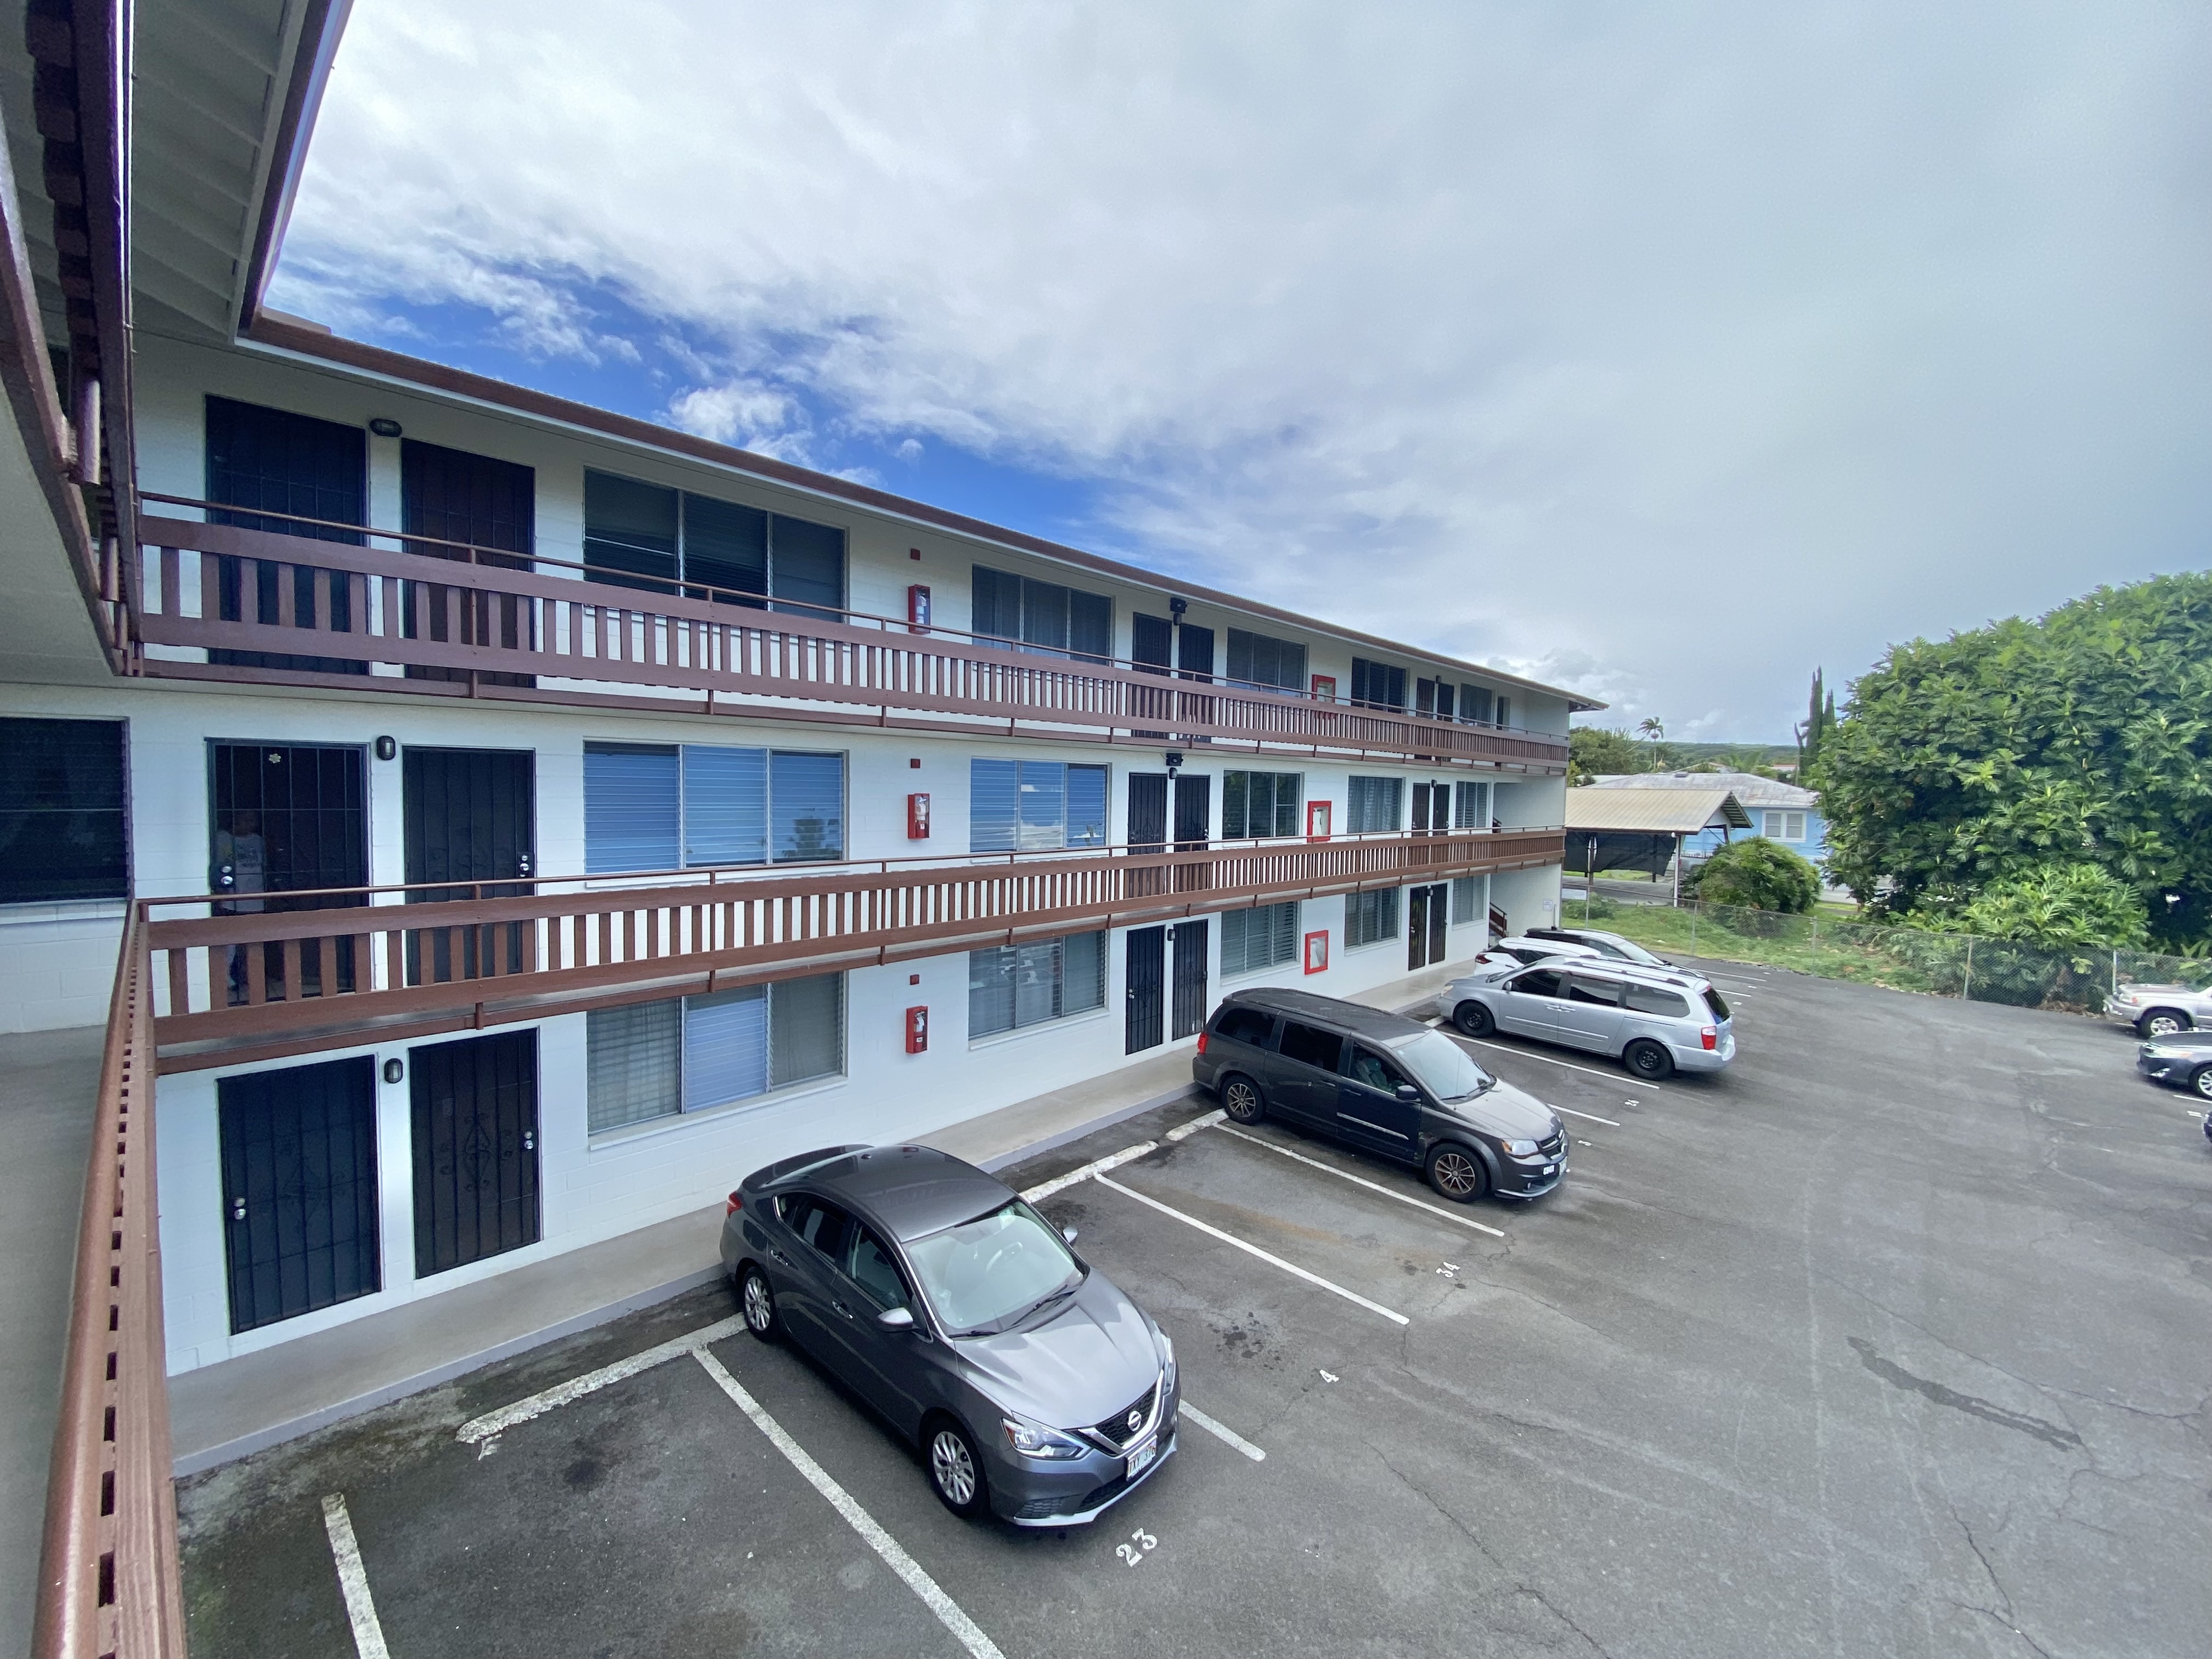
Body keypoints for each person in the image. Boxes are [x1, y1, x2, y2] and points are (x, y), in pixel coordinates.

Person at [216, 810, 267, 1001]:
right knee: (229, 943)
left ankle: (252, 981)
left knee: (254, 942)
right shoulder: (223, 838)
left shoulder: (258, 841)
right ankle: (225, 979)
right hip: (232, 899)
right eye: (245, 820)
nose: (249, 824)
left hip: (256, 898)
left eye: (252, 820)